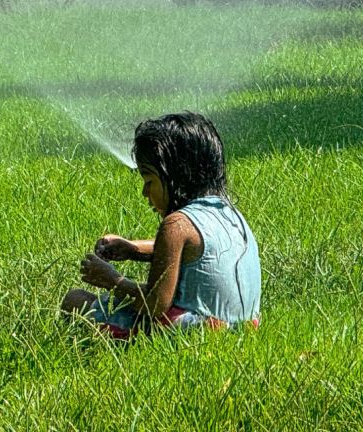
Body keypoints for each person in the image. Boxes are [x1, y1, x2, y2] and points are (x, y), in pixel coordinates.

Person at [62, 112, 261, 339]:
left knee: (75, 300)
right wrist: (132, 249)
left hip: (196, 333)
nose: (145, 192)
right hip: (242, 329)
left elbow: (155, 304)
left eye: (150, 182)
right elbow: (192, 252)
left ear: (176, 176)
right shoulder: (230, 214)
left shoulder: (176, 224)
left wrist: (112, 280)